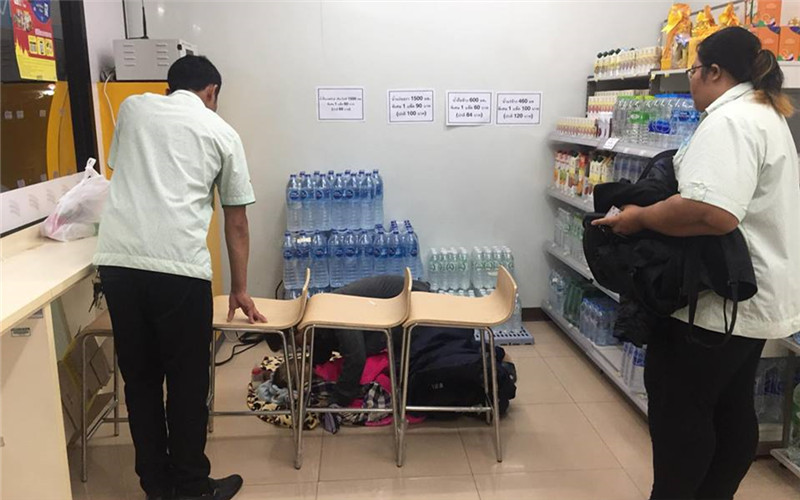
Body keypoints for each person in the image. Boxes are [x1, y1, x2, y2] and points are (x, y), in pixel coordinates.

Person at [594, 27, 799, 500]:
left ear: (714, 71)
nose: (690, 80)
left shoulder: (731, 122)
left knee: (680, 409)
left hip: (714, 305)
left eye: (693, 70)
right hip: (748, 297)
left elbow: (711, 212)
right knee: (729, 406)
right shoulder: (764, 113)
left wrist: (639, 218)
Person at [94, 55, 265, 500]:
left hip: (119, 265)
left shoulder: (131, 108)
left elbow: (122, 169)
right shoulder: (221, 132)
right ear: (211, 92)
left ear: (169, 87)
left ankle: (156, 485)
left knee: (141, 381)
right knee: (187, 384)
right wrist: (240, 289)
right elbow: (237, 222)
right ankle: (191, 487)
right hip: (179, 271)